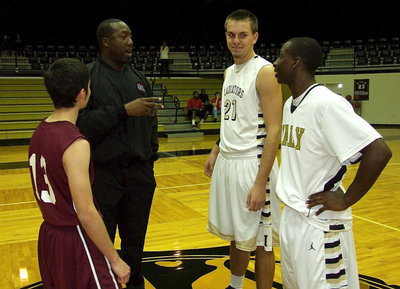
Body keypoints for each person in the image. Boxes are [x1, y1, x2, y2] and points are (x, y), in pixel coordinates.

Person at [273, 37, 392, 289]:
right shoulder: (289, 104)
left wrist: (346, 200)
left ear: (296, 62)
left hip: (320, 222)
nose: (275, 62)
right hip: (293, 214)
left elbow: (379, 151)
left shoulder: (327, 104)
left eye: (281, 56)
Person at [28, 58, 131, 289]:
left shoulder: (40, 131)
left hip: (49, 235)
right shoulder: (74, 143)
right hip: (76, 237)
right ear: (82, 93)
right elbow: (86, 212)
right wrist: (115, 259)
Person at [76, 19, 163, 289]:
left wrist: (149, 161)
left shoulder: (138, 79)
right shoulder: (88, 77)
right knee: (101, 245)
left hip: (138, 177)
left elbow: (151, 125)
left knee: (135, 246)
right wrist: (123, 110)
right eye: (123, 37)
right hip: (103, 176)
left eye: (131, 37)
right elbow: (81, 124)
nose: (130, 42)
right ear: (106, 42)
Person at [204, 9, 282, 289]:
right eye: (231, 35)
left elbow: (275, 130)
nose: (236, 41)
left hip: (254, 163)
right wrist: (216, 149)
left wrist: (261, 182)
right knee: (237, 235)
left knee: (262, 242)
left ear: (255, 37)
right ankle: (234, 286)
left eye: (243, 35)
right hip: (229, 160)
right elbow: (232, 117)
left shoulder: (265, 72)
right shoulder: (228, 72)